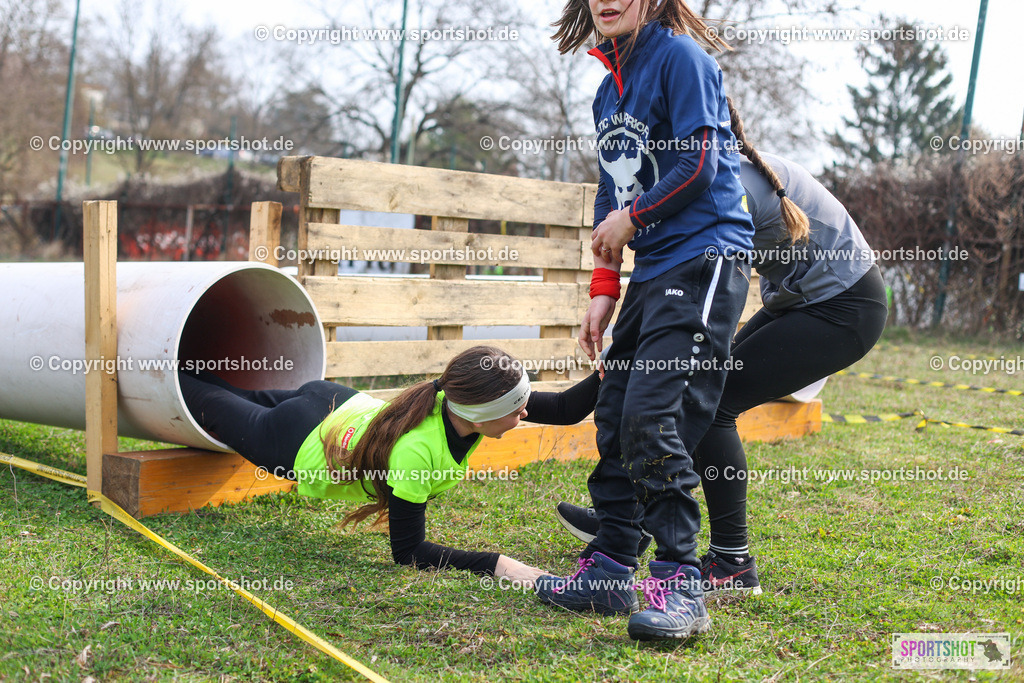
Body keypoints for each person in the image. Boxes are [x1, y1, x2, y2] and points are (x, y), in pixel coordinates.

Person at [553, 100, 889, 597]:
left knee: (713, 403)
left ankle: (732, 562)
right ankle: (632, 523)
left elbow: (704, 295)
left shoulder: (731, 185)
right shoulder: (713, 173)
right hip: (798, 303)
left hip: (844, 309)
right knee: (700, 394)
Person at [537, 0, 754, 641]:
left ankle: (679, 586)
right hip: (654, 268)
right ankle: (609, 569)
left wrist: (632, 220)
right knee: (613, 412)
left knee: (652, 416)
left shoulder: (681, 59)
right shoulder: (608, 92)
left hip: (706, 257)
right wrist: (604, 288)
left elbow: (699, 166)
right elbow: (614, 193)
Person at [178, 345, 601, 585]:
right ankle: (151, 360)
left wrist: (614, 368)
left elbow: (564, 408)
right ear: (478, 415)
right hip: (295, 440)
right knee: (198, 399)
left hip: (333, 401)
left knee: (228, 394)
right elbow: (408, 552)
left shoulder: (458, 399)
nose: (525, 413)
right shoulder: (417, 453)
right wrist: (499, 565)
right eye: (517, 410)